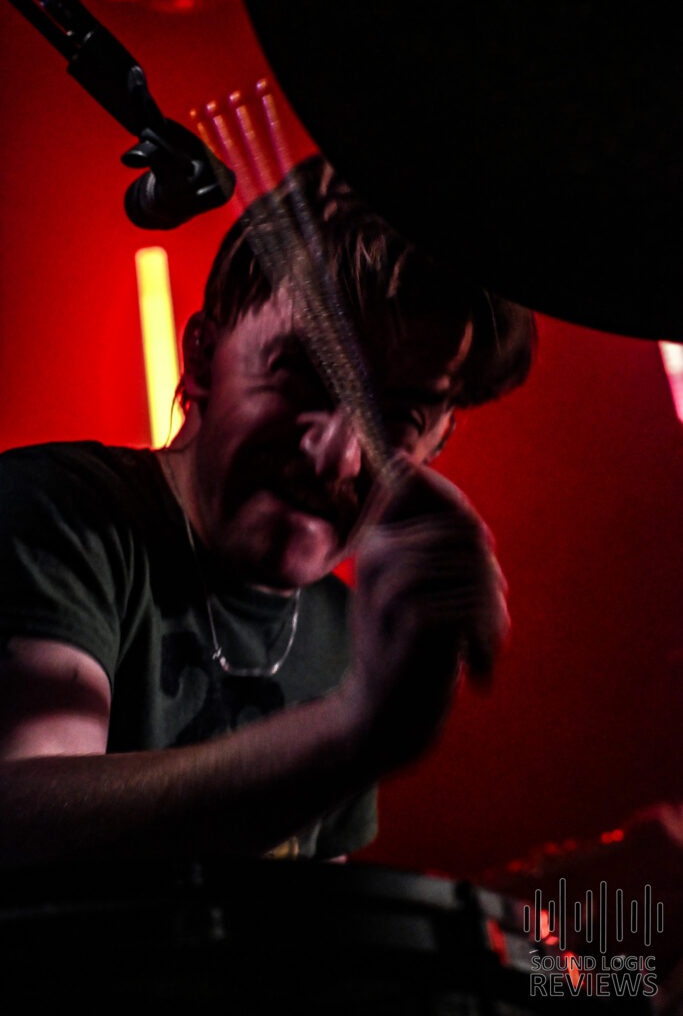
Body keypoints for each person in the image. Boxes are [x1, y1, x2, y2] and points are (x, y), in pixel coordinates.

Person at [0, 156, 535, 866]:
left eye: (396, 418)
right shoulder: (60, 511)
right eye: (301, 375)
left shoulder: (350, 633)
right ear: (202, 356)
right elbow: (18, 820)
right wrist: (353, 728)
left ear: (436, 444)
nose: (336, 458)